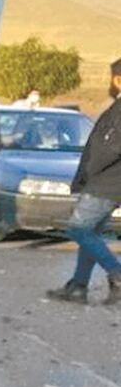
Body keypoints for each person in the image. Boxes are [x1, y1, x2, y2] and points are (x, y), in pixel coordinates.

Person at [46, 59, 121, 305]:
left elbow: (108, 148)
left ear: (117, 80)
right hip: (111, 182)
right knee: (91, 233)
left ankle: (117, 273)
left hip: (105, 182)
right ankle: (78, 286)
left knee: (77, 229)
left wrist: (88, 173)